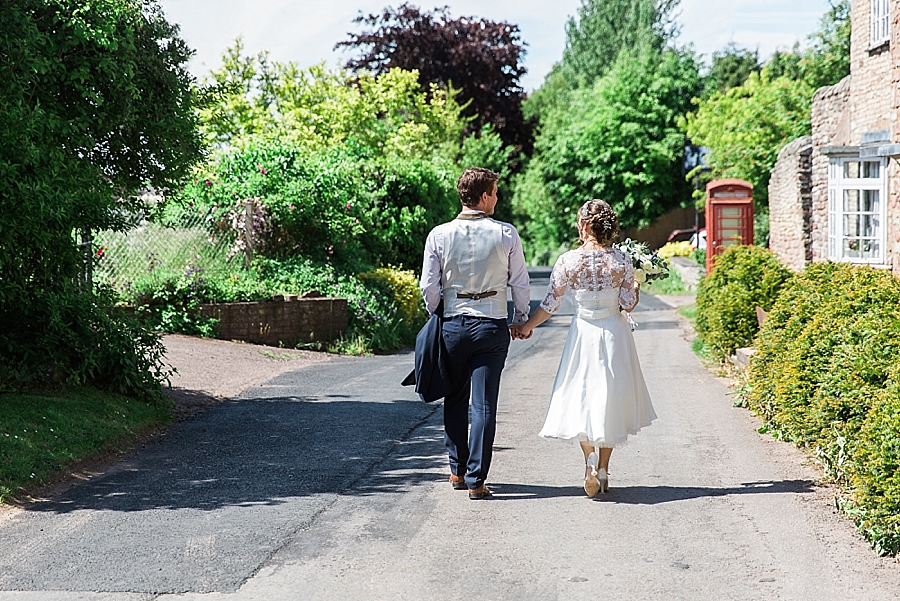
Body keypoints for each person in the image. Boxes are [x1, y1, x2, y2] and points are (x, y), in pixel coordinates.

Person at [516, 199, 656, 497]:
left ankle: (588, 462)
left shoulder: (568, 260)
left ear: (584, 226)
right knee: (610, 399)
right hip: (614, 332)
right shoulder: (621, 260)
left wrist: (527, 326)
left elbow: (550, 304)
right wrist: (639, 283)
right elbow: (629, 303)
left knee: (581, 396)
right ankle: (604, 468)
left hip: (583, 333)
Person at [420, 167, 531, 500]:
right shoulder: (506, 234)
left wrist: (439, 311)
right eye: (495, 192)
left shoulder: (438, 235)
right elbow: (519, 283)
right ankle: (476, 480)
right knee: (483, 406)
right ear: (484, 197)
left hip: (453, 323)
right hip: (491, 324)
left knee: (454, 400)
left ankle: (457, 470)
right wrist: (521, 317)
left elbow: (428, 285)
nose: (497, 198)